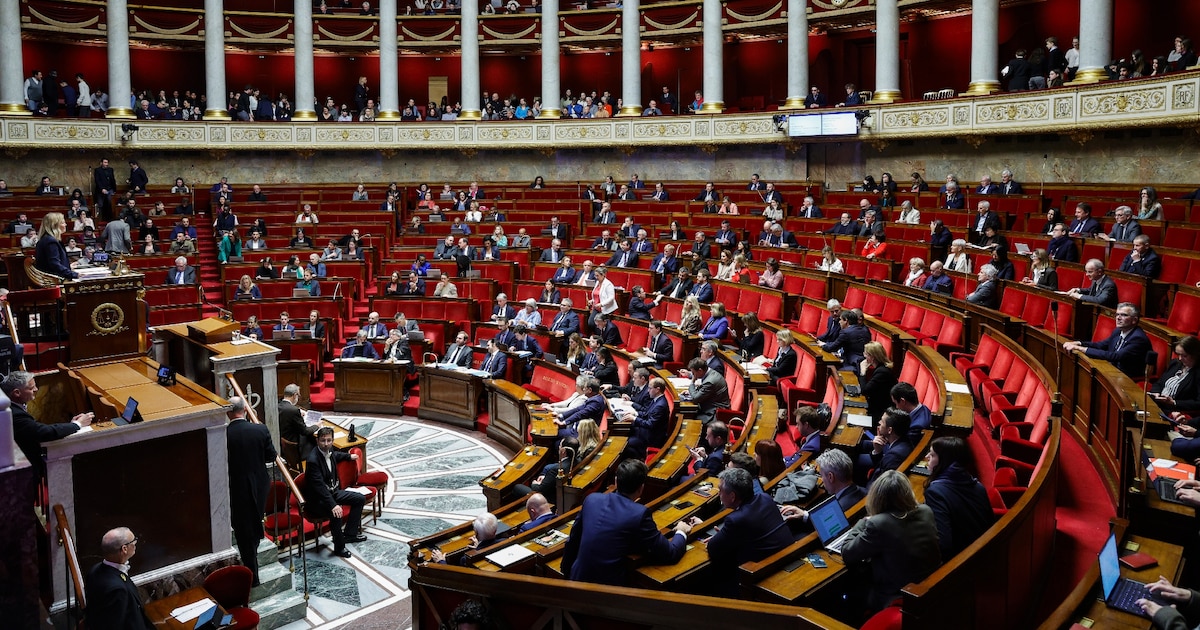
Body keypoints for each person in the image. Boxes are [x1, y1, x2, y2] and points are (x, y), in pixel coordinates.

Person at [561, 458, 691, 586]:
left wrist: (565, 575)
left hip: (576, 579)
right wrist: (681, 531)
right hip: (608, 592)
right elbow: (670, 553)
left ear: (616, 481)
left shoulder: (592, 500)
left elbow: (573, 541)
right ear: (641, 488)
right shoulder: (640, 514)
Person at [840, 470, 941, 613]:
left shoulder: (878, 524)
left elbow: (847, 552)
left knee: (848, 591)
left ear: (877, 497)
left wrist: (862, 522)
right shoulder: (926, 510)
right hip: (929, 587)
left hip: (896, 596)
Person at [688, 467, 792, 597]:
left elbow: (713, 548)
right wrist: (726, 535)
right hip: (783, 559)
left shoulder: (735, 519)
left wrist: (720, 537)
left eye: (720, 491)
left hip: (758, 574)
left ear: (732, 496)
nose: (719, 494)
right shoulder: (765, 498)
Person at [4, 371, 93, 479]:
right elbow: (43, 432)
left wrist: (70, 425)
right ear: (17, 393)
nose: (36, 390)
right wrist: (77, 424)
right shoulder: (15, 414)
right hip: (23, 472)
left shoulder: (13, 405)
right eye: (31, 388)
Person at [225, 396, 276, 585]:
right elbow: (271, 456)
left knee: (242, 528)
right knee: (255, 520)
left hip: (236, 488)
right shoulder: (260, 429)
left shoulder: (223, 434)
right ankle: (254, 547)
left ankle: (252, 572)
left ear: (228, 412)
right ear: (245, 409)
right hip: (259, 486)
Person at [922, 436, 995, 559]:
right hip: (983, 553)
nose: (927, 457)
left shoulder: (935, 493)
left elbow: (943, 543)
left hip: (959, 562)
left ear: (944, 460)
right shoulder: (977, 485)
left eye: (933, 455)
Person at [303, 427, 367, 558]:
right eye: (323, 441)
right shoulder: (313, 460)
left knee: (359, 499)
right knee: (336, 513)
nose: (326, 444)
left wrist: (349, 456)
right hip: (318, 500)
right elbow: (319, 487)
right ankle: (339, 548)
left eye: (329, 440)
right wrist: (333, 505)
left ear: (332, 440)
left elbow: (336, 455)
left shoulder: (330, 450)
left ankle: (350, 534)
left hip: (332, 493)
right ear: (317, 441)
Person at [84, 527, 155, 630]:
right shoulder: (117, 590)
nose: (135, 542)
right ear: (124, 549)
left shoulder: (95, 570)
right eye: (133, 541)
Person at [780, 449, 866, 533]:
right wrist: (805, 514)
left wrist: (805, 516)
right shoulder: (865, 492)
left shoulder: (839, 508)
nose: (821, 479)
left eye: (821, 475)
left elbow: (824, 526)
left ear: (830, 477)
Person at [1063, 302, 1151, 379]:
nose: (1118, 318)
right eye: (1117, 314)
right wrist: (1078, 343)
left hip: (1127, 378)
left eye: (1123, 315)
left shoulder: (1138, 338)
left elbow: (1115, 356)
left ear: (1134, 320)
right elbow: (1101, 345)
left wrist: (1080, 349)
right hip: (1112, 371)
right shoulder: (1118, 331)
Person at [620, 377, 671, 461]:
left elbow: (650, 424)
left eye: (650, 388)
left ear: (657, 389)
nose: (648, 391)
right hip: (647, 432)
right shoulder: (656, 399)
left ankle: (638, 461)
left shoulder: (660, 405)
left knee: (625, 444)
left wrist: (634, 419)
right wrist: (635, 413)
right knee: (625, 431)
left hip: (651, 437)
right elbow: (646, 413)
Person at [1152, 336, 1199, 414]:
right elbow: (1159, 383)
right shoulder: (1175, 363)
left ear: (1195, 354)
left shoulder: (1197, 374)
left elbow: (1198, 403)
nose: (1180, 358)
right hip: (1158, 404)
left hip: (1174, 412)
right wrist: (1156, 393)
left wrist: (1174, 402)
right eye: (1178, 354)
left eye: (1184, 356)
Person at [861, 342, 898, 423]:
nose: (864, 356)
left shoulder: (882, 372)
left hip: (880, 413)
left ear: (872, 357)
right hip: (877, 406)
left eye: (866, 354)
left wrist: (863, 372)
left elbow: (865, 391)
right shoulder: (881, 368)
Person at [34, 212, 78, 279]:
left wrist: (68, 266)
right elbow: (54, 264)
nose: (65, 224)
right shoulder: (50, 242)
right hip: (54, 281)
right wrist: (73, 274)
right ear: (55, 225)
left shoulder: (46, 239)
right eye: (63, 223)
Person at [686, 357, 730, 425]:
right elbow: (703, 390)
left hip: (714, 412)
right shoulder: (710, 373)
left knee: (689, 420)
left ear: (700, 371)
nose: (693, 375)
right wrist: (692, 391)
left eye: (693, 373)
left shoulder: (710, 381)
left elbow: (696, 398)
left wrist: (692, 382)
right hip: (710, 405)